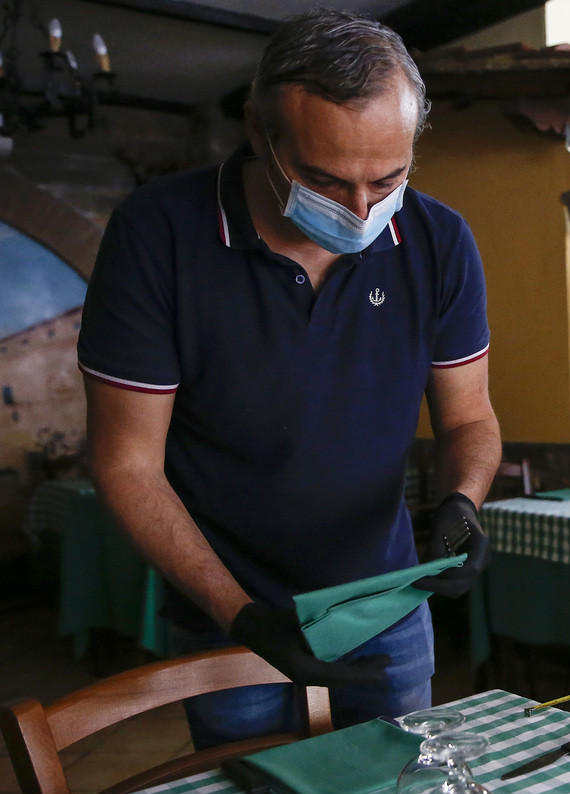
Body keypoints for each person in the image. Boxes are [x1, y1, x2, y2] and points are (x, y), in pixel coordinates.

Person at [77, 10, 499, 748]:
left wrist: (464, 498)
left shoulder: (439, 241)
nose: (361, 210)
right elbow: (126, 462)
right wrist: (239, 613)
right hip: (229, 611)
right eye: (324, 180)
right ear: (257, 130)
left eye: (388, 179)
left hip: (385, 603)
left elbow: (469, 418)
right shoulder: (158, 234)